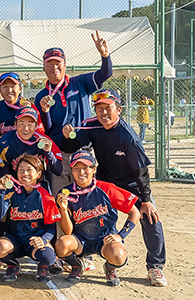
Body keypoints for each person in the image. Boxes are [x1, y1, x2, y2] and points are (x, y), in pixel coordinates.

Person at [62, 89, 167, 286]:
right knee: (87, 210)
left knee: (150, 217)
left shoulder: (128, 136)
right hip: (105, 179)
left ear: (118, 109)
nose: (103, 113)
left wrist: (145, 200)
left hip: (132, 183)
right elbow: (70, 147)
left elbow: (141, 171)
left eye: (108, 108)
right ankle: (86, 255)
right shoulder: (93, 126)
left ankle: (155, 267)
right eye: (99, 109)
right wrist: (68, 137)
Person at [34, 31, 112, 195]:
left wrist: (105, 56)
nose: (54, 67)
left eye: (58, 63)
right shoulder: (41, 96)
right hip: (58, 155)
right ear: (44, 68)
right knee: (60, 200)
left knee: (85, 199)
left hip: (82, 151)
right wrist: (45, 111)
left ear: (65, 64)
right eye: (50, 64)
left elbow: (105, 74)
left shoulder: (80, 82)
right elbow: (46, 129)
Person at [55, 150, 140, 286]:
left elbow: (135, 213)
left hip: (105, 238)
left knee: (118, 255)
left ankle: (110, 268)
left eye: (85, 168)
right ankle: (76, 265)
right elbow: (68, 232)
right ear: (71, 170)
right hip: (81, 239)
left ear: (94, 169)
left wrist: (120, 235)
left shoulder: (106, 189)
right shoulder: (66, 193)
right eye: (76, 169)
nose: (81, 173)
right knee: (61, 244)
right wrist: (63, 210)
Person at [0, 155, 61, 282]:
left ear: (39, 173)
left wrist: (43, 239)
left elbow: (51, 227)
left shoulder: (45, 196)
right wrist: (1, 192)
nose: (25, 173)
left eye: (29, 170)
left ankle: (43, 266)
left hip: (34, 241)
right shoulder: (11, 191)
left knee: (48, 256)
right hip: (15, 240)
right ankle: (13, 265)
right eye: (21, 170)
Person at [0, 107, 62, 190]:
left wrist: (48, 152)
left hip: (38, 188)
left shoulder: (44, 140)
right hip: (14, 187)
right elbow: (3, 172)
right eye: (21, 124)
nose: (26, 128)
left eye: (30, 124)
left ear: (36, 126)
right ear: (15, 124)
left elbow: (58, 170)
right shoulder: (5, 142)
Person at [0, 72, 45, 143]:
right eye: (5, 87)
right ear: (0, 89)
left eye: (13, 86)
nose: (9, 90)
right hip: (3, 151)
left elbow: (39, 133)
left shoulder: (30, 108)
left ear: (20, 88)